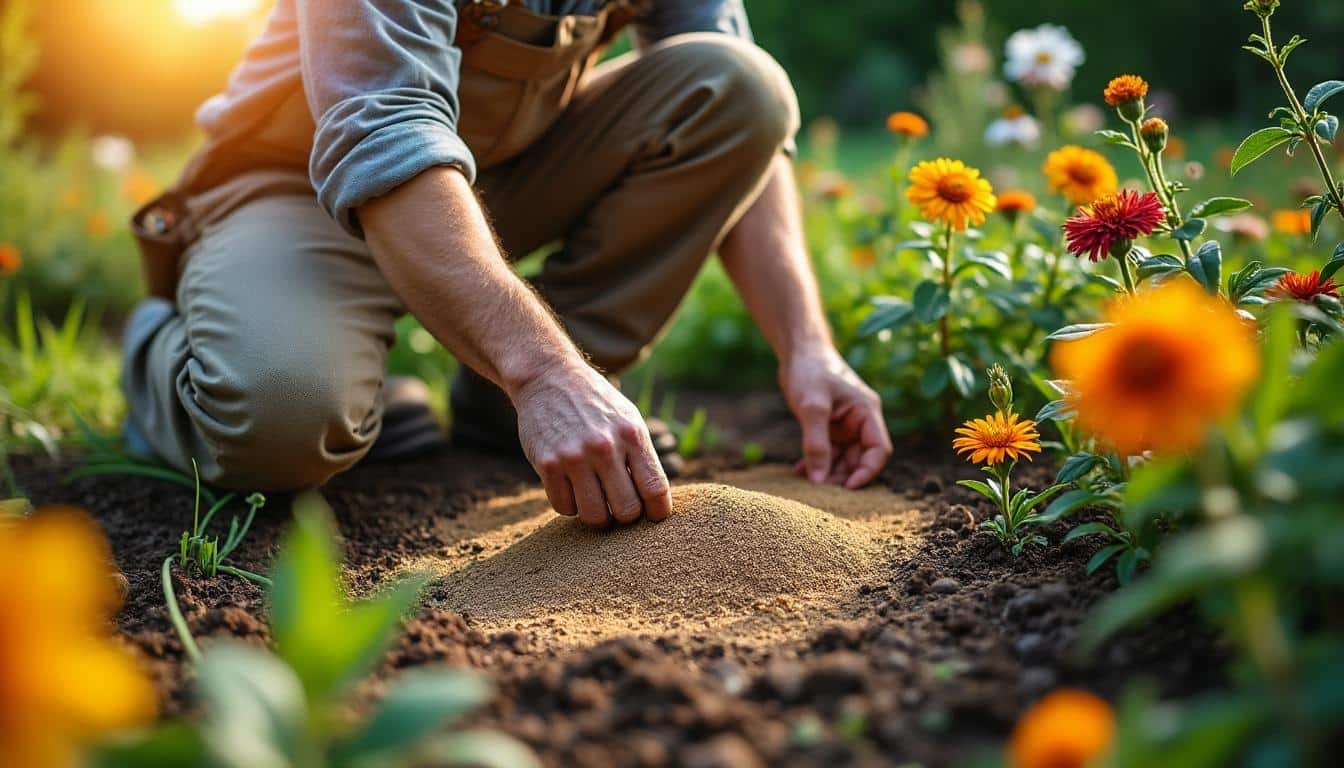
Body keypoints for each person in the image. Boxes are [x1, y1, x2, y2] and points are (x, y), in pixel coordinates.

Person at [122, 0, 892, 528]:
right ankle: (155, 345)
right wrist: (542, 369)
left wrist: (807, 347)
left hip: (494, 181)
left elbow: (745, 119)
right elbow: (385, 131)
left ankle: (506, 409)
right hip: (294, 186)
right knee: (277, 420)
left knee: (742, 86)